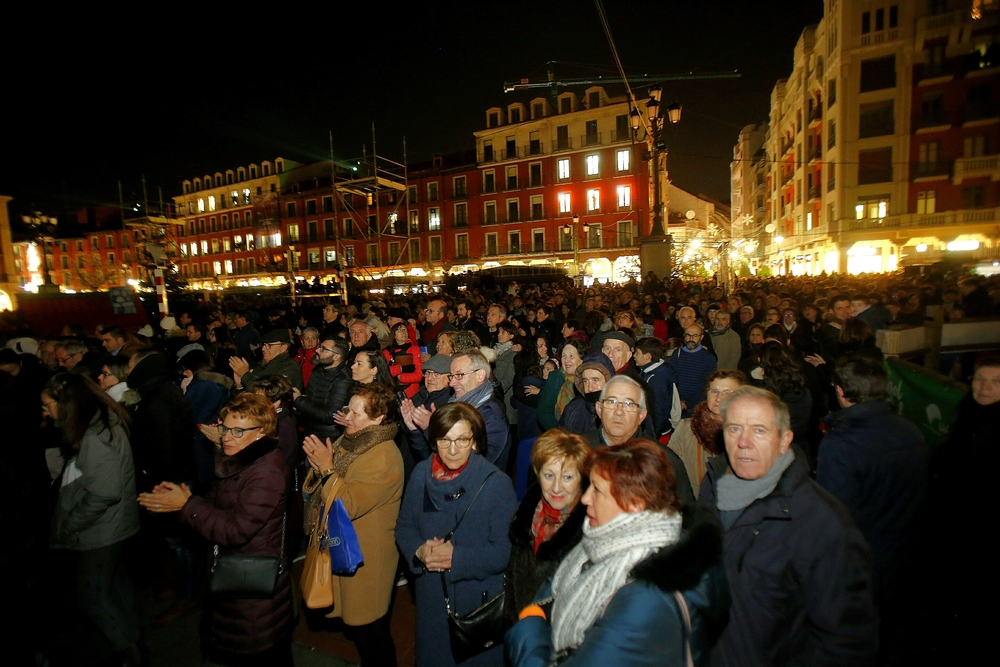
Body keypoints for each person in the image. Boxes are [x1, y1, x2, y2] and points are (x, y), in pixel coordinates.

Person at [505, 440, 729, 667]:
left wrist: (530, 627)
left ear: (634, 504)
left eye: (597, 490)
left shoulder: (646, 596)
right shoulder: (600, 541)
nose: (585, 498)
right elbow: (558, 583)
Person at [699, 386, 878, 666]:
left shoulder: (822, 523)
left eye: (759, 430)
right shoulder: (713, 494)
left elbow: (846, 642)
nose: (743, 442)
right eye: (734, 429)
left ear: (785, 440)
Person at [139, 393, 293, 666]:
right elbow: (220, 505)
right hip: (235, 577)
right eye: (225, 427)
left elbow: (236, 531)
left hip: (251, 588)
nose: (226, 437)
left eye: (237, 431)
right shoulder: (240, 460)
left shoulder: (265, 472)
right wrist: (187, 501)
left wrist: (188, 506)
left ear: (261, 433)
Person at [817, 355, 928, 662]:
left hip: (863, 563)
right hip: (906, 556)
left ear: (840, 391)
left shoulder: (841, 443)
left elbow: (833, 514)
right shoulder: (910, 430)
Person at [395, 403, 517, 667]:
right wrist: (418, 551)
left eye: (461, 440)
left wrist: (456, 558)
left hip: (477, 607)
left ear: (475, 442)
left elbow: (505, 552)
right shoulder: (420, 475)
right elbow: (405, 526)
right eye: (444, 440)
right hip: (432, 600)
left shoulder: (496, 484)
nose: (452, 450)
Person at [300, 383, 404, 667]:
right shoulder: (352, 441)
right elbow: (322, 486)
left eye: (357, 414)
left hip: (368, 556)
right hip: (348, 546)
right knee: (361, 629)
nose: (348, 418)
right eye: (348, 410)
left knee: (370, 629)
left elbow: (347, 503)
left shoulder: (382, 455)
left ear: (379, 418)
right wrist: (319, 465)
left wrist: (325, 467)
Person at [44, 373, 142, 665]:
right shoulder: (99, 424)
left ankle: (129, 651)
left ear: (67, 403)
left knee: (93, 594)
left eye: (48, 405)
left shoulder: (97, 434)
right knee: (113, 586)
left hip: (103, 529)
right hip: (113, 524)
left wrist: (70, 523)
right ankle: (133, 639)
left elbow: (104, 492)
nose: (46, 412)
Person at [503, 430, 589, 628]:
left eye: (568, 477)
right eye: (549, 475)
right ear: (537, 473)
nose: (557, 487)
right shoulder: (524, 517)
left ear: (581, 478)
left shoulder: (590, 531)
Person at [582, 375, 694, 507]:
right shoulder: (579, 451)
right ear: (599, 409)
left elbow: (686, 517)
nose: (619, 411)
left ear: (642, 415)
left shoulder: (663, 461)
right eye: (612, 402)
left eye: (629, 404)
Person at [668, 370, 747, 499]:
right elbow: (670, 468)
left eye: (727, 392)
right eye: (714, 391)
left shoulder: (748, 435)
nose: (719, 398)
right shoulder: (687, 428)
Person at [293, 339, 353, 442]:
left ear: (336, 356)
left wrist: (299, 401)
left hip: (327, 439)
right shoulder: (318, 370)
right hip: (311, 434)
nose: (317, 350)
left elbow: (331, 415)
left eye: (323, 349)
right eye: (320, 347)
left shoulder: (343, 379)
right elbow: (311, 400)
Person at [666, 324, 717, 418]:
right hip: (676, 404)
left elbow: (706, 385)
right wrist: (677, 400)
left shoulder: (709, 358)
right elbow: (671, 379)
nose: (691, 338)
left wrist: (687, 403)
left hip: (695, 407)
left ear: (701, 337)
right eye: (688, 335)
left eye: (695, 335)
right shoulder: (677, 354)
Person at [230, 328, 304, 393]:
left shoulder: (291, 368)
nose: (263, 348)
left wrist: (245, 375)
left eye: (269, 345)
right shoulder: (260, 364)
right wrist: (239, 386)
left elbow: (273, 394)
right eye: (264, 345)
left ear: (283, 348)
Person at [538, 339, 587, 431]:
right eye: (564, 356)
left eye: (571, 356)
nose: (566, 360)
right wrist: (560, 432)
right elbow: (543, 412)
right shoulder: (555, 377)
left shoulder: (588, 379)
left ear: (581, 360)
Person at [385, 321, 423, 398]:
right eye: (400, 330)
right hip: (392, 391)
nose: (404, 332)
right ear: (394, 335)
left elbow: (418, 375)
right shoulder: (387, 351)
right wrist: (401, 369)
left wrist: (400, 378)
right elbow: (385, 372)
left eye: (405, 330)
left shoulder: (414, 349)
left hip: (412, 392)